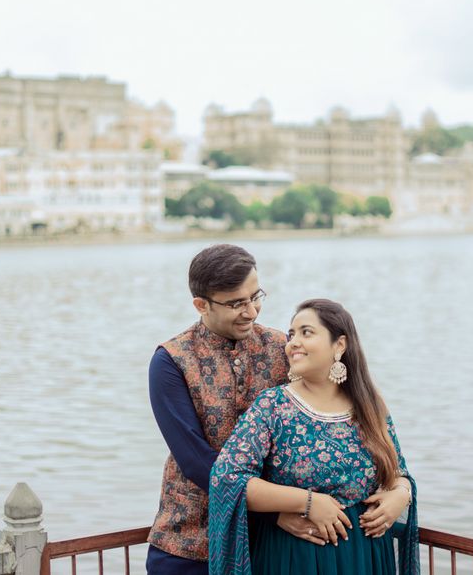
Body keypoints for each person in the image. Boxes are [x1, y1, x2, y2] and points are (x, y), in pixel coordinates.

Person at [209, 298, 419, 575]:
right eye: (292, 334)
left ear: (339, 345)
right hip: (294, 558)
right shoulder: (273, 406)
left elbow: (398, 473)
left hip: (365, 557)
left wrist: (400, 495)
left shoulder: (370, 407)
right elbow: (227, 478)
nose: (293, 342)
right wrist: (307, 502)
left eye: (306, 332)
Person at [148, 244, 323, 574]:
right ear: (201, 305)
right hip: (191, 544)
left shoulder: (282, 348)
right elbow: (197, 461)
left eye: (256, 297)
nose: (252, 312)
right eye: (236, 304)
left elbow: (326, 416)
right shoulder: (170, 361)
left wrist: (396, 486)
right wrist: (279, 511)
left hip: (272, 544)